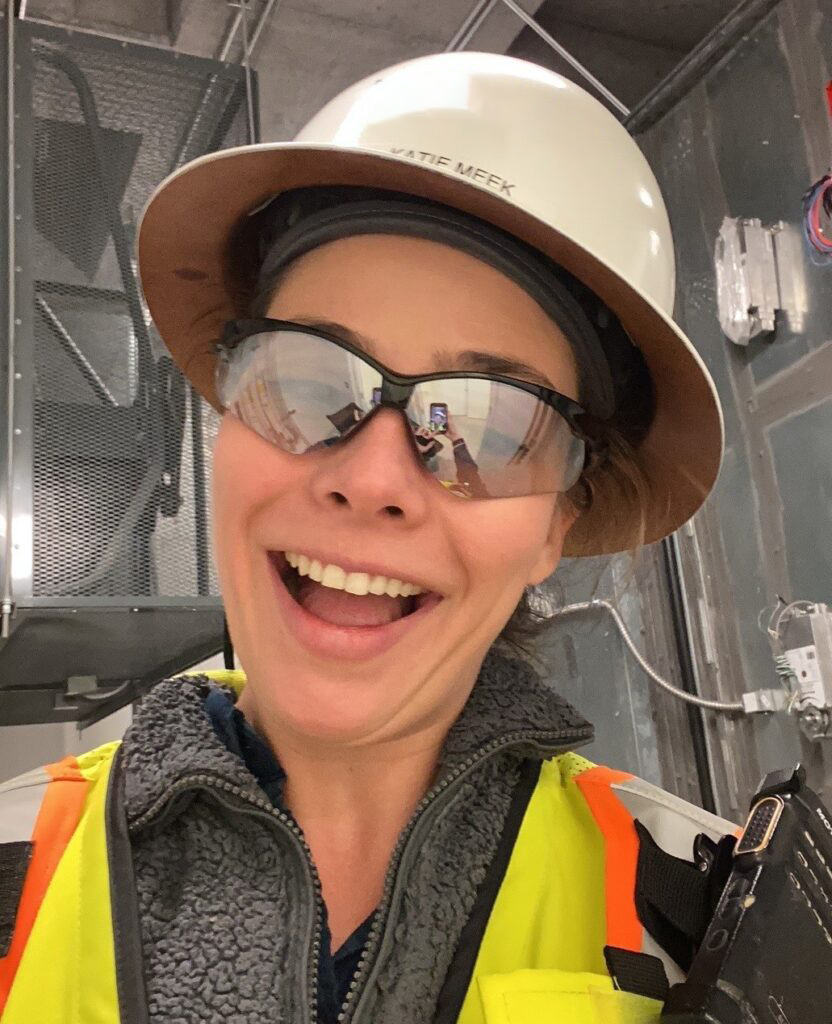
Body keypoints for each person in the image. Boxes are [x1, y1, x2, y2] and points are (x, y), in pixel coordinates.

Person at [0, 52, 732, 1024]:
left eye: (488, 426)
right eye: (305, 382)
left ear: (559, 522)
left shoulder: (710, 930)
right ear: (223, 425)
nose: (373, 478)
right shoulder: (17, 866)